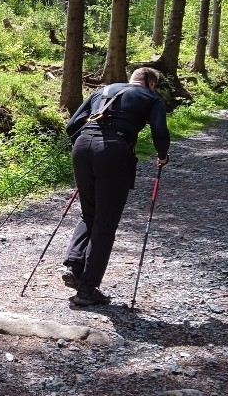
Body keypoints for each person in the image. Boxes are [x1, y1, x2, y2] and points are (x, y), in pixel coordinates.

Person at [62, 67, 170, 306]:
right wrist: (163, 155)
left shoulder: (104, 90)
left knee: (89, 213)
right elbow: (159, 131)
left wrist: (86, 150)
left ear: (132, 79)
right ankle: (87, 290)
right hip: (114, 150)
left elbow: (72, 125)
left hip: (82, 147)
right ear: (151, 83)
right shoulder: (153, 97)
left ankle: (73, 266)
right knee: (105, 221)